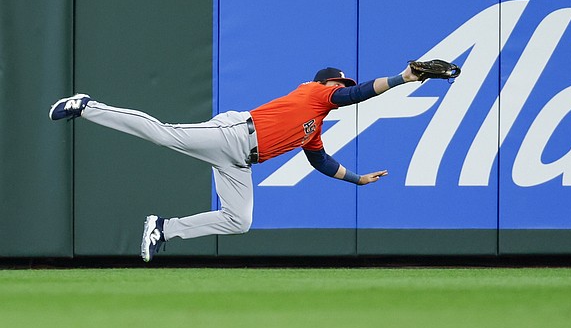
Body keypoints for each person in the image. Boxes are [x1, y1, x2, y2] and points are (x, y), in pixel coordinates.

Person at [49, 65, 422, 261]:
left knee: (239, 221)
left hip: (240, 162)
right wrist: (402, 78)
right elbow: (356, 94)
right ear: (326, 83)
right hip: (233, 134)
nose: (339, 86)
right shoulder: (314, 93)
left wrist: (357, 180)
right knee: (162, 134)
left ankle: (163, 228)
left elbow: (321, 161)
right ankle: (88, 107)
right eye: (336, 83)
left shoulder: (313, 130)